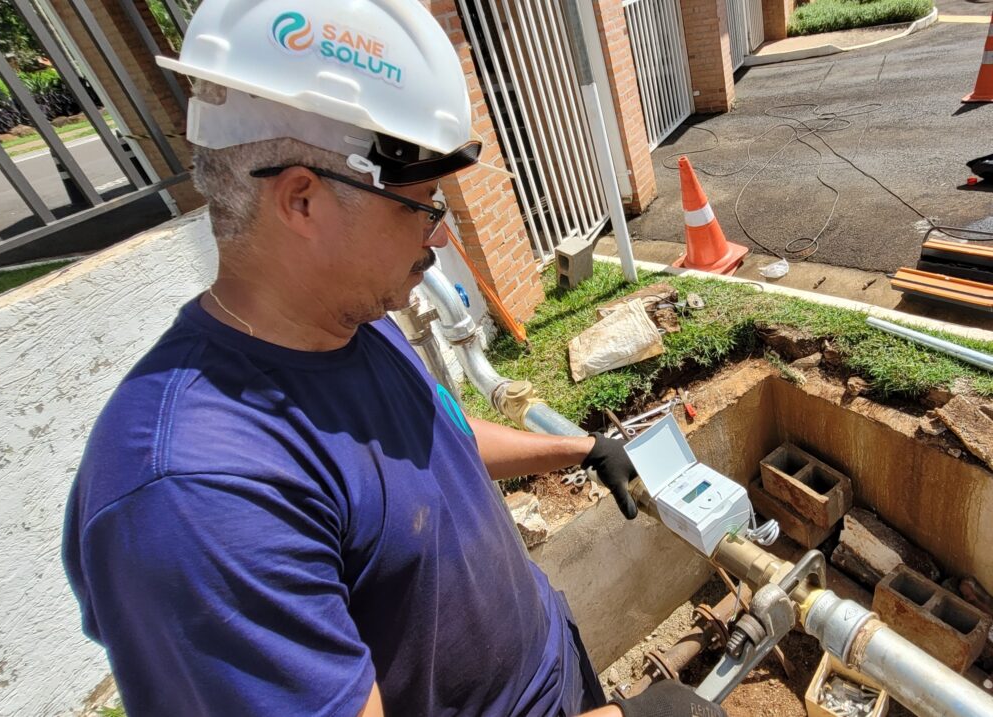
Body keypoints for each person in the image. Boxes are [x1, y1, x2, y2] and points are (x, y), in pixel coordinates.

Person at [62, 2, 726, 716]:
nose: (439, 239)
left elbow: (437, 440)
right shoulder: (196, 496)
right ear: (303, 200)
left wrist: (578, 447)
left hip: (551, 667)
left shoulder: (351, 319)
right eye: (422, 203)